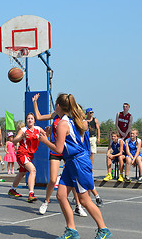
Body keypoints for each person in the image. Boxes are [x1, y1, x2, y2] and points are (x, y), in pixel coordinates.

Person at [39, 93, 112, 239]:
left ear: (58, 106)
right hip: (72, 162)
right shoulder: (73, 120)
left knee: (84, 200)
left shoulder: (63, 124)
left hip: (78, 163)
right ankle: (71, 230)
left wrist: (45, 140)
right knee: (60, 195)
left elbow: (58, 150)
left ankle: (103, 229)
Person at [32, 94, 97, 216]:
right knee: (52, 179)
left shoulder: (68, 119)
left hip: (67, 152)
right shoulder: (56, 116)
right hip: (56, 149)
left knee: (72, 180)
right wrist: (35, 102)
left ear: (59, 106)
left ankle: (78, 206)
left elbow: (81, 128)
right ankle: (46, 201)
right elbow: (39, 117)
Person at [7, 113, 45, 203]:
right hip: (22, 153)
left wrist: (47, 131)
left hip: (30, 155)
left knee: (22, 173)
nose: (30, 120)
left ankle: (12, 190)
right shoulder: (23, 130)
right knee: (33, 170)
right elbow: (14, 140)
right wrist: (21, 137)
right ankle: (31, 194)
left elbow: (46, 135)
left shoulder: (38, 129)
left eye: (32, 118)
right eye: (28, 118)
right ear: (26, 121)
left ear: (34, 120)